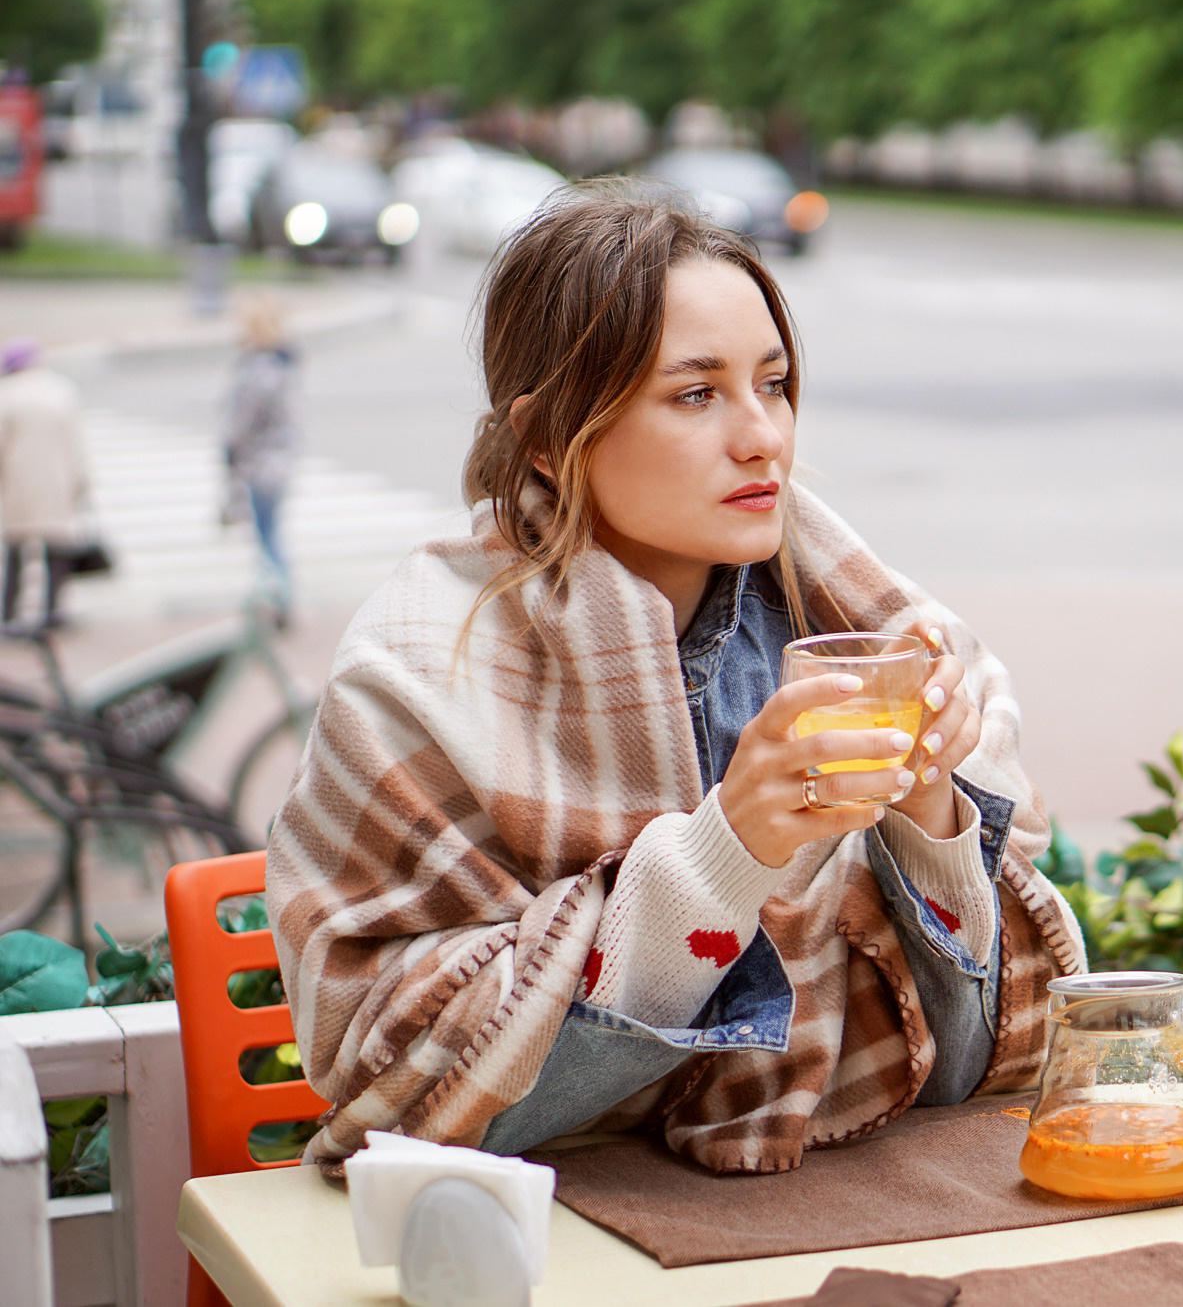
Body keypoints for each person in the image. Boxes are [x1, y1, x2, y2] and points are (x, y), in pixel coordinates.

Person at [266, 182, 1086, 1173]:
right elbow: (410, 1108)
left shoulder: (870, 630)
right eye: (696, 393)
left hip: (827, 1212)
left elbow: (968, 1070)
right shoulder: (419, 672)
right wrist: (723, 855)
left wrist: (928, 816)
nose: (762, 437)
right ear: (543, 437)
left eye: (773, 383)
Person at [0, 338, 92, 630]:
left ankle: (10, 612)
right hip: (57, 478)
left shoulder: (8, 395)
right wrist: (80, 482)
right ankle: (52, 610)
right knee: (56, 547)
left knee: (16, 549)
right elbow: (77, 444)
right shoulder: (61, 391)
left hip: (18, 479)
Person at [222, 297, 299, 625]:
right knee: (270, 531)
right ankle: (277, 594)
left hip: (261, 464)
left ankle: (278, 595)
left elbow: (243, 421)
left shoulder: (260, 369)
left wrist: (230, 448)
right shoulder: (285, 365)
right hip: (280, 462)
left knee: (265, 534)